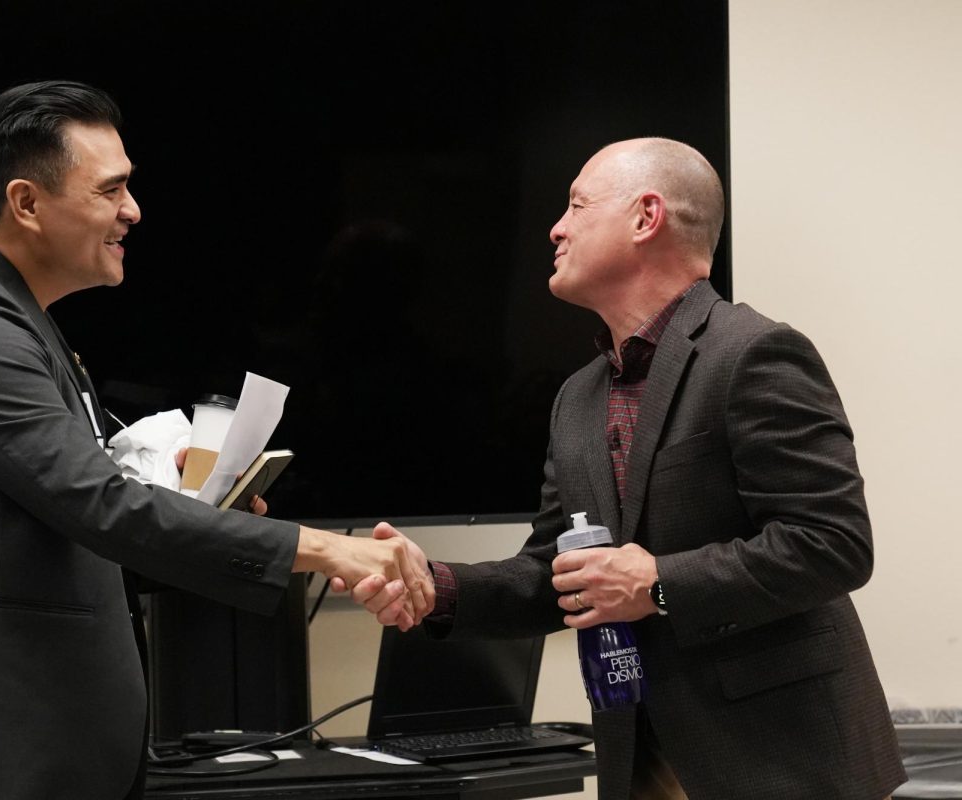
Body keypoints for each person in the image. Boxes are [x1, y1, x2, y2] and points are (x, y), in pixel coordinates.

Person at [0, 80, 431, 800]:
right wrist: (329, 548)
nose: (133, 211)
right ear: (26, 203)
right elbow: (103, 508)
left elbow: (67, 524)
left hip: (29, 760)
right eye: (110, 190)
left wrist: (201, 509)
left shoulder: (16, 321)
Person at [347, 138, 906, 799]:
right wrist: (435, 587)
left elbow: (834, 544)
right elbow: (556, 573)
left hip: (780, 763)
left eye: (577, 204)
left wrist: (659, 583)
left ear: (647, 217)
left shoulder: (755, 353)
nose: (556, 228)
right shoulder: (578, 395)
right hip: (637, 757)